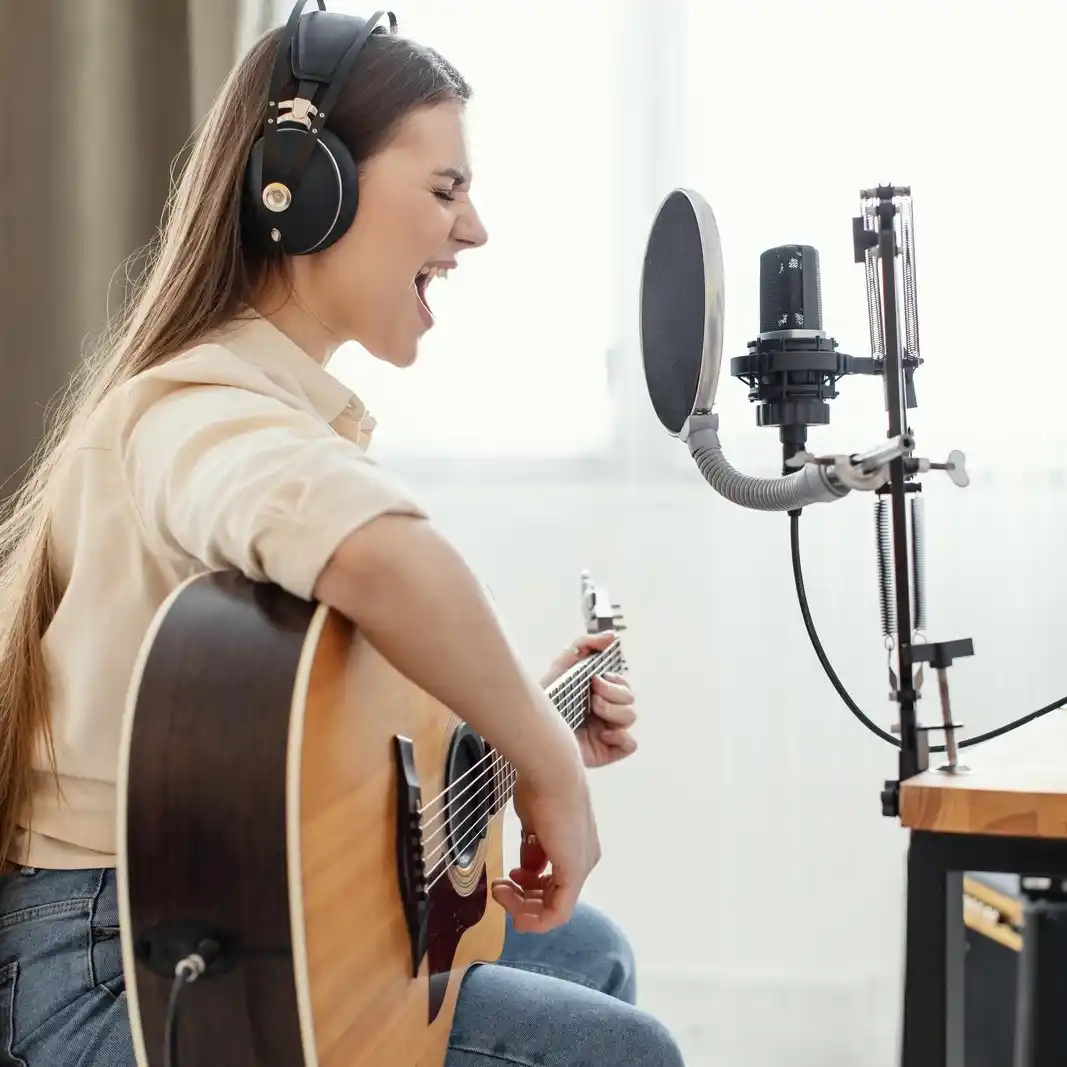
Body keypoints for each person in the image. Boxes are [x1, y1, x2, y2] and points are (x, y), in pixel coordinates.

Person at [0, 10, 686, 1067]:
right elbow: (378, 555)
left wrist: (512, 721)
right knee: (620, 1050)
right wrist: (544, 752)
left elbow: (295, 761)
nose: (473, 230)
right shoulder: (195, 410)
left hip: (221, 899)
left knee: (588, 953)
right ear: (303, 188)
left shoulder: (276, 413)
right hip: (115, 959)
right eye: (445, 189)